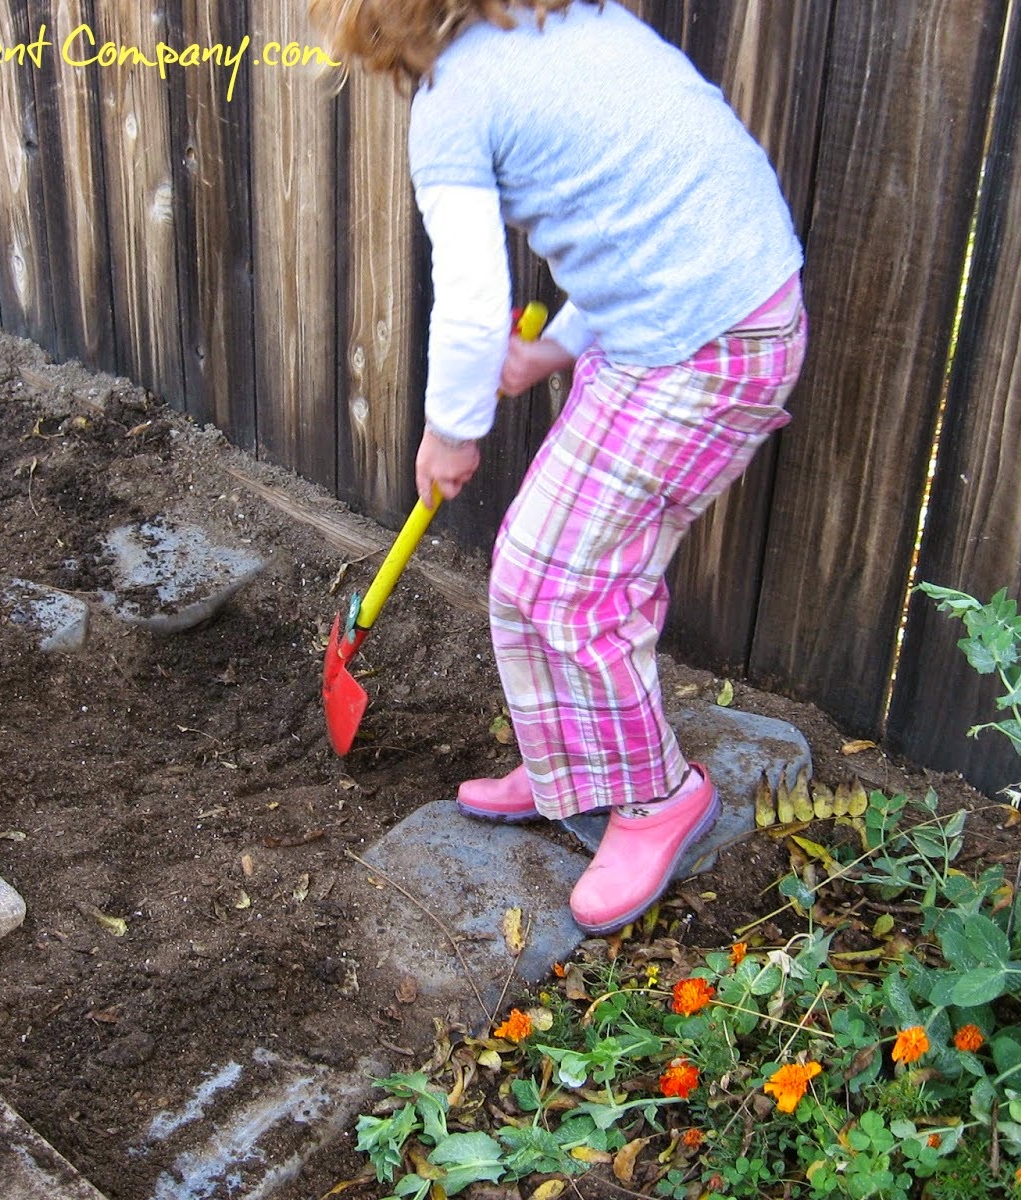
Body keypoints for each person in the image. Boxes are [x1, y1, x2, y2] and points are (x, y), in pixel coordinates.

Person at [308, 0, 807, 934]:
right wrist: (556, 347)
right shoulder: (577, 21)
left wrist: (450, 431)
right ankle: (572, 767)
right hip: (693, 313)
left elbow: (470, 302)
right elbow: (648, 217)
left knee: (574, 586)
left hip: (705, 347)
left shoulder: (456, 98)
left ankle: (658, 798)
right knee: (528, 568)